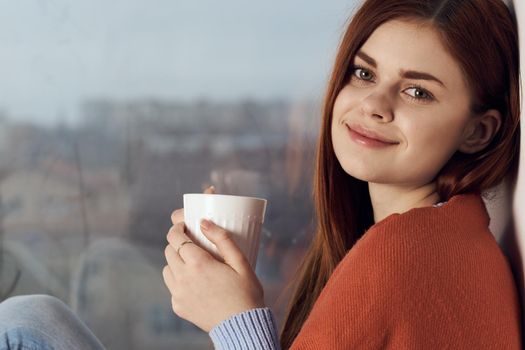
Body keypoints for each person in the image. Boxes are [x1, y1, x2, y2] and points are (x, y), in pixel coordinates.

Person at [0, 0, 521, 349]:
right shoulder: (446, 235)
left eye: (417, 91)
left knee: (21, 327)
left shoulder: (404, 255)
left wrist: (235, 321)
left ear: (478, 131)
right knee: (34, 316)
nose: (374, 105)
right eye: (364, 74)